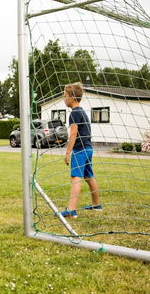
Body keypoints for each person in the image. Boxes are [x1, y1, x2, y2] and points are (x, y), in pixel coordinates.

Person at [61, 82, 101, 218]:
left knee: (75, 178)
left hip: (80, 151)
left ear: (72, 97)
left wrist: (68, 153)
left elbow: (73, 134)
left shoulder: (74, 113)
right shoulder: (82, 111)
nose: (64, 98)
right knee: (89, 177)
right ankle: (96, 205)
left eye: (65, 95)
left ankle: (71, 210)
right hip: (88, 149)